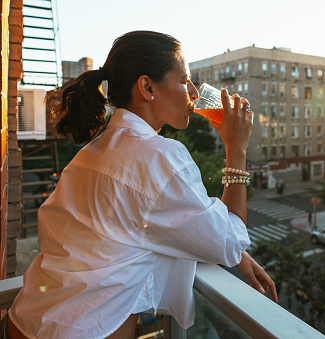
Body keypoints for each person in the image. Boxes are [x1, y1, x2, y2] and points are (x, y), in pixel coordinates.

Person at [4, 31, 277, 338]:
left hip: (24, 320)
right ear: (148, 87)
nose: (194, 92)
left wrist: (230, 247)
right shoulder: (160, 158)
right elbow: (231, 239)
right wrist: (237, 149)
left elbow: (135, 227)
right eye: (184, 80)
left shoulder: (91, 154)